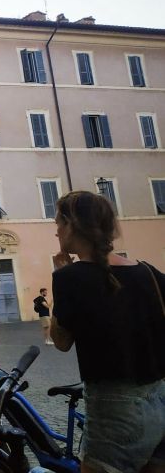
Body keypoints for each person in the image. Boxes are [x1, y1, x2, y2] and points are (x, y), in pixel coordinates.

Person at [51, 190, 165, 473]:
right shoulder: (148, 272)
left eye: (58, 224)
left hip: (115, 411)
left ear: (72, 225)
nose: (56, 232)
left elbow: (61, 340)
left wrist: (61, 276)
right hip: (160, 402)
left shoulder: (69, 278)